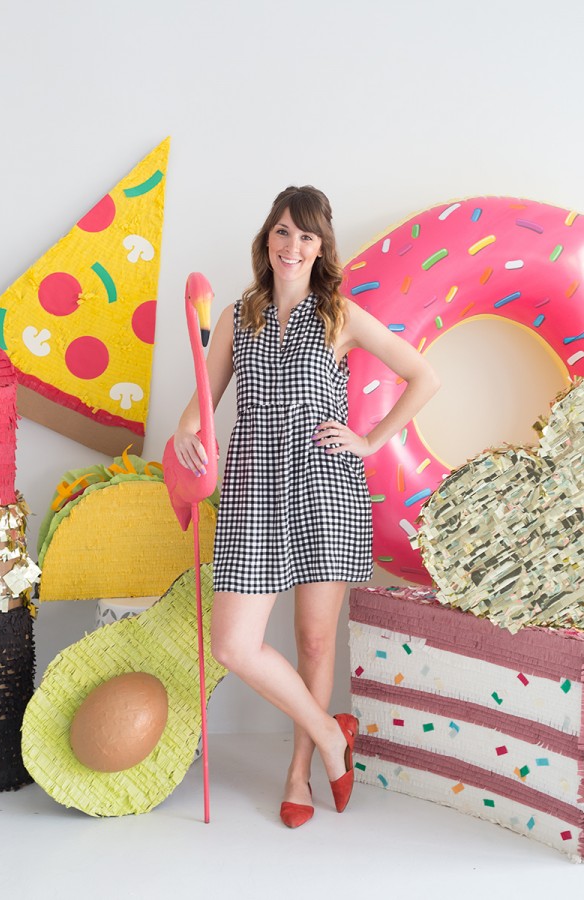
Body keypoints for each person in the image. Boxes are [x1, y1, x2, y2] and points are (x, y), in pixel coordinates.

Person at [173, 185, 440, 828]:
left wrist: (372, 439)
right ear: (268, 238)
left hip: (326, 486)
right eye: (284, 232)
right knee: (236, 644)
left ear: (322, 248)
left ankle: (297, 775)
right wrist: (184, 439)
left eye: (307, 236)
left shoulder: (340, 316)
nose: (293, 246)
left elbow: (424, 376)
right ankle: (329, 734)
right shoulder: (238, 317)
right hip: (250, 490)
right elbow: (196, 412)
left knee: (314, 641)